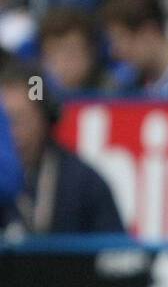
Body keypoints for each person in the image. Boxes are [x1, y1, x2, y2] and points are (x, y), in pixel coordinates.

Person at [0, 60, 126, 238]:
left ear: (45, 118)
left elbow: (119, 255)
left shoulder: (83, 181)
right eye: (2, 122)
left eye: (17, 119)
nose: (8, 132)